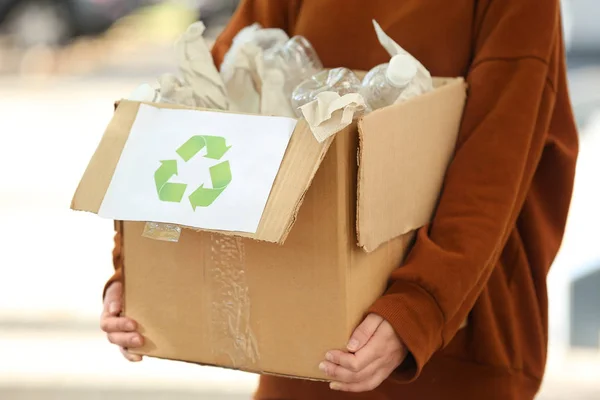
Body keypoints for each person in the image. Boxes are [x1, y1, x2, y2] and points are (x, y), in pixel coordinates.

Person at [100, 0, 579, 398]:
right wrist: (138, 270)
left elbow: (494, 167)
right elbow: (211, 113)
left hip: (454, 343)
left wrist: (417, 309)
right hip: (306, 329)